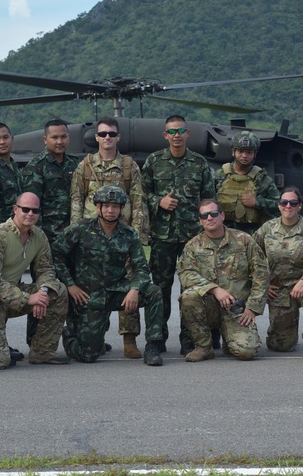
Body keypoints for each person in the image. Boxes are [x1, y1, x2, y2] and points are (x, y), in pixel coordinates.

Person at [53, 185, 164, 366]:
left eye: (115, 206)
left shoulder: (128, 234)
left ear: (121, 209)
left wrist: (134, 289)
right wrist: (70, 285)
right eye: (106, 206)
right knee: (88, 356)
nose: (110, 210)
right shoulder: (80, 229)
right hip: (88, 295)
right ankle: (70, 335)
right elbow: (56, 254)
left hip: (116, 290)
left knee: (154, 292)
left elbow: (142, 268)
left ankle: (153, 346)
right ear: (98, 207)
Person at [69, 116, 150, 359]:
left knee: (128, 284)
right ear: (96, 138)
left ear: (118, 137)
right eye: (103, 134)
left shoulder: (128, 166)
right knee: (93, 289)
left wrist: (137, 236)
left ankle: (129, 339)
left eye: (111, 134)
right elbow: (76, 201)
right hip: (91, 239)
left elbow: (138, 201)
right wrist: (75, 237)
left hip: (122, 238)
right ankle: (97, 336)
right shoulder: (84, 167)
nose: (107, 138)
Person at [141, 115, 215, 355]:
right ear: (165, 135)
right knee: (159, 290)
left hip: (191, 239)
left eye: (181, 130)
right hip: (162, 238)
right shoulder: (153, 161)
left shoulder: (200, 163)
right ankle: (157, 338)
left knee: (189, 290)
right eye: (172, 131)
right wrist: (158, 201)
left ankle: (189, 338)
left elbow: (208, 199)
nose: (176, 135)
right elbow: (142, 195)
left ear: (188, 133)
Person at [0, 192, 70, 368]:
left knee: (58, 290)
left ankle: (42, 351)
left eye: (35, 211)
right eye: (25, 209)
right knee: (0, 361)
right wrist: (28, 298)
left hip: (13, 295)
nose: (30, 214)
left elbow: (46, 270)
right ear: (15, 209)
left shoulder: (39, 236)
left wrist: (42, 293)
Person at [177, 198, 267, 361]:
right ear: (200, 220)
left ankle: (230, 338)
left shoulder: (244, 240)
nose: (209, 218)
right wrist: (215, 289)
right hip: (208, 306)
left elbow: (261, 273)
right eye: (204, 216)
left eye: (213, 213)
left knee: (246, 352)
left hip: (236, 309)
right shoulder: (193, 246)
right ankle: (204, 347)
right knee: (188, 296)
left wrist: (253, 307)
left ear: (222, 216)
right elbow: (186, 274)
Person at [252, 186, 303, 356]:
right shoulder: (267, 229)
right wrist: (263, 284)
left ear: (300, 206)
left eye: (293, 202)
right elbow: (251, 258)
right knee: (280, 345)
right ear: (279, 205)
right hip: (279, 290)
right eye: (284, 202)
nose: (288, 206)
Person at [21, 119, 80, 245]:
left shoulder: (75, 164)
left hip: (74, 233)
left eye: (63, 137)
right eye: (54, 137)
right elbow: (32, 206)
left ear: (69, 138)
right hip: (49, 235)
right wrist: (38, 238)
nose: (59, 141)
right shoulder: (36, 166)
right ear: (45, 139)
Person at [213, 130, 280, 234]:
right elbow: (205, 202)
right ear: (233, 152)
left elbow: (280, 205)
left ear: (255, 154)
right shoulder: (219, 176)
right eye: (240, 151)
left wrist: (257, 202)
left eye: (249, 152)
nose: (244, 156)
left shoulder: (262, 179)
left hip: (251, 236)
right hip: (222, 234)